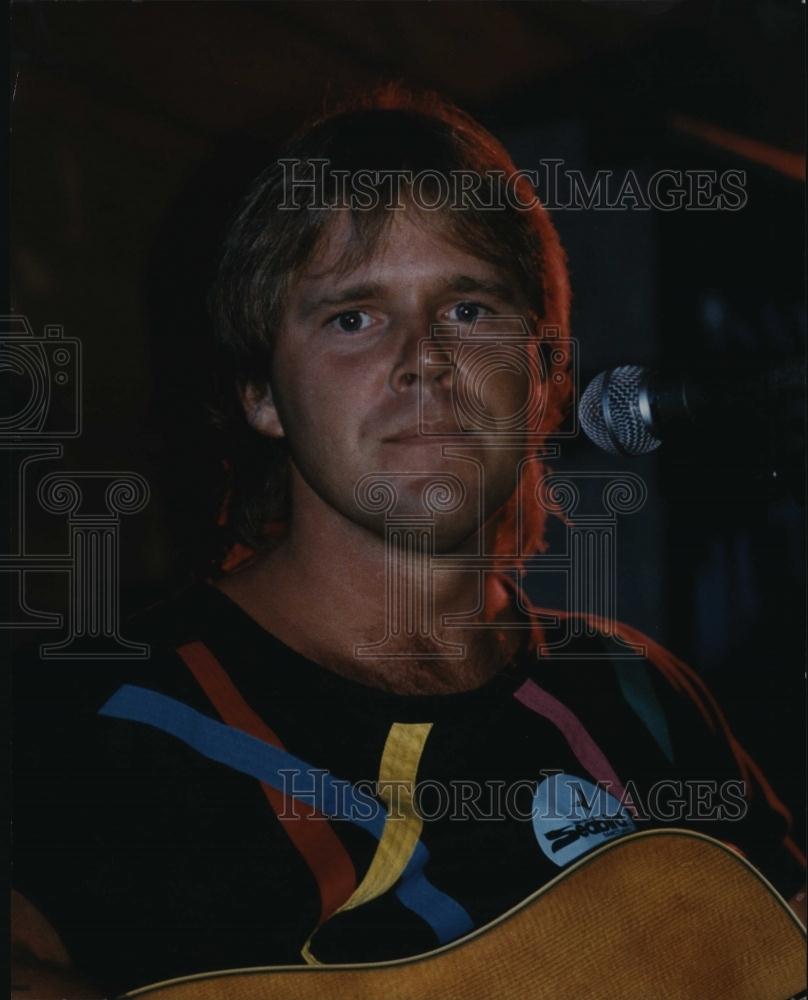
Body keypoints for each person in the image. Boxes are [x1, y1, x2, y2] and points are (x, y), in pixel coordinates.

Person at [12, 88, 805, 998]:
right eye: (353, 316)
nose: (424, 354)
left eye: (469, 310)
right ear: (260, 394)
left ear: (547, 381)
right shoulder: (95, 713)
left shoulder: (643, 697)